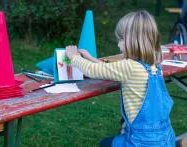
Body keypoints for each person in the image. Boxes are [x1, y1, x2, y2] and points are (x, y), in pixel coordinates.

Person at [65, 10, 176, 147]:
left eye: (121, 39)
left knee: (104, 144)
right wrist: (91, 58)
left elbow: (92, 71)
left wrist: (74, 57)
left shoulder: (129, 67)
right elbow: (111, 70)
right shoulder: (154, 64)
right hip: (165, 138)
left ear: (134, 40)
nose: (118, 44)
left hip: (141, 142)